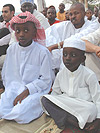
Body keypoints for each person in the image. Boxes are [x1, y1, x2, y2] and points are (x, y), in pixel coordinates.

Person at [0, 11, 52, 124]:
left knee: (21, 112)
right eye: (18, 31)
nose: (21, 34)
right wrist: (10, 90)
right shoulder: (11, 49)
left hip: (34, 92)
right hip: (13, 88)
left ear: (34, 32)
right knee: (2, 106)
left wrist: (27, 90)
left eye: (26, 30)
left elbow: (46, 80)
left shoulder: (42, 52)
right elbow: (6, 74)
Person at [41, 38, 100, 133]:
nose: (67, 58)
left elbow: (98, 98)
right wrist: (55, 103)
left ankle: (64, 118)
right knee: (45, 99)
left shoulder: (89, 75)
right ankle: (73, 122)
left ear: (82, 59)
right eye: (65, 55)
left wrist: (98, 119)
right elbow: (55, 93)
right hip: (67, 103)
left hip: (83, 106)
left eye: (73, 55)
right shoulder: (61, 73)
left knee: (91, 110)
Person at [45, 2, 99, 75]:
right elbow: (47, 32)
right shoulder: (66, 25)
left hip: (85, 65)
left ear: (84, 13)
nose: (73, 16)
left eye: (76, 13)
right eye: (70, 14)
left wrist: (53, 47)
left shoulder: (93, 25)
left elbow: (76, 40)